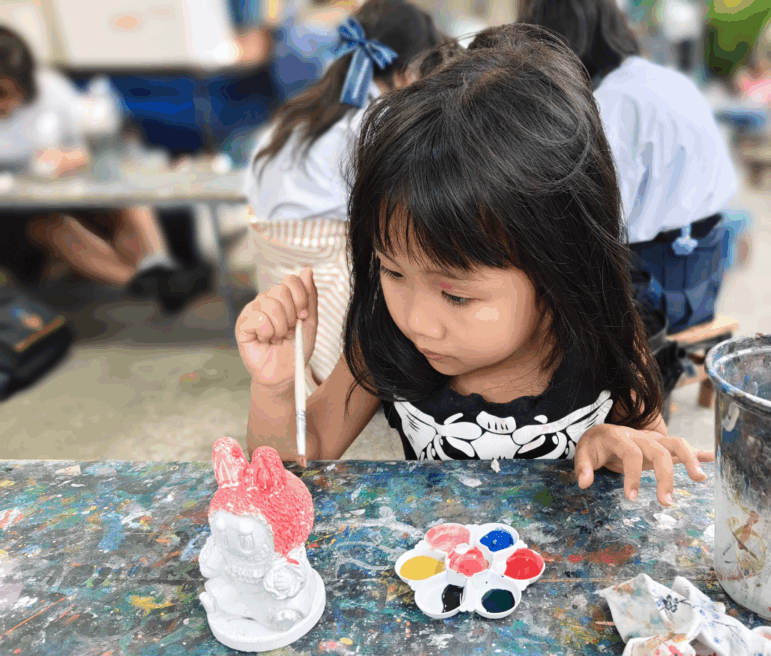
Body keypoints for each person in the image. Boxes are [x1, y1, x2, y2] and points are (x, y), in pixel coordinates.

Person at [237, 24, 712, 506]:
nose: (418, 322)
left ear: (559, 267)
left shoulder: (603, 339)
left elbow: (652, 460)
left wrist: (617, 443)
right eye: (392, 271)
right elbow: (299, 466)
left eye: (457, 295)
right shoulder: (383, 341)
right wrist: (276, 389)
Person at [244, 0, 444, 392]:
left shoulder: (295, 114)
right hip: (336, 299)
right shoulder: (376, 120)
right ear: (410, 71)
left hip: (278, 288)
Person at [520, 0, 738, 334]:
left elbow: (601, 220)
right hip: (704, 277)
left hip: (656, 292)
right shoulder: (668, 80)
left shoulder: (613, 102)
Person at [0, 26, 210, 313]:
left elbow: (86, 145)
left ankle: (157, 268)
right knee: (52, 225)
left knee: (125, 201)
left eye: (4, 93)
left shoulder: (51, 89)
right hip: (14, 215)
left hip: (60, 189)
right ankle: (145, 283)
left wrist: (70, 156)